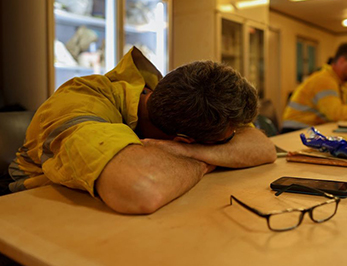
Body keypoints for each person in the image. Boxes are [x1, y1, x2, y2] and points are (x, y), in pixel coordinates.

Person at [6, 47, 276, 214]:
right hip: (30, 216)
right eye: (225, 140)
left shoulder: (191, 106)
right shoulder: (82, 99)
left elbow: (264, 148)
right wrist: (205, 159)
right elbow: (141, 190)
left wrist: (185, 152)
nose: (232, 141)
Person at [282, 43, 347, 133]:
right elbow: (335, 114)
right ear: (342, 61)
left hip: (310, 130)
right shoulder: (324, 80)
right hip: (295, 130)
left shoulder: (340, 83)